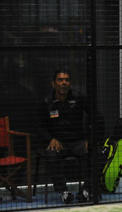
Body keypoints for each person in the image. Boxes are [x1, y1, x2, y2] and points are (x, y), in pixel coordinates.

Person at [38, 69, 100, 204]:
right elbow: (39, 127)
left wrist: (90, 139)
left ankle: (86, 190)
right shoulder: (46, 101)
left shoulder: (79, 98)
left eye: (66, 80)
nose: (64, 83)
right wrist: (50, 139)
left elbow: (96, 117)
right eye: (60, 80)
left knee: (93, 151)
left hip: (78, 141)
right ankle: (64, 192)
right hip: (58, 143)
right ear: (54, 83)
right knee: (51, 154)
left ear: (70, 83)